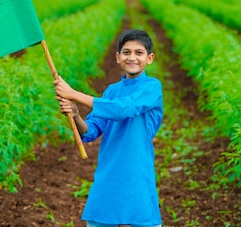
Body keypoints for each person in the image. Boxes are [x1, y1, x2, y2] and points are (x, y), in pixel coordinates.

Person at [54, 28, 163, 227]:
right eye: (126, 52)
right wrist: (77, 115)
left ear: (150, 58)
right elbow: (91, 130)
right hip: (109, 170)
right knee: (99, 220)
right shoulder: (111, 91)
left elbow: (125, 108)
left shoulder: (151, 87)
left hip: (137, 170)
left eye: (139, 53)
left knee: (144, 219)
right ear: (118, 57)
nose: (132, 58)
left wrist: (73, 93)